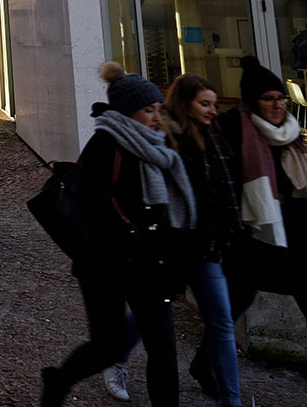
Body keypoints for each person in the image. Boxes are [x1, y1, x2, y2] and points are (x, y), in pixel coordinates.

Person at [41, 62, 195, 407]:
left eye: (158, 109)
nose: (156, 117)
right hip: (104, 267)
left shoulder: (157, 147)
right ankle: (60, 380)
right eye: (148, 110)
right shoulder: (105, 146)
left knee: (163, 350)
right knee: (106, 347)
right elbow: (92, 209)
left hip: (148, 266)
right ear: (127, 112)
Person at [224, 57, 307, 407]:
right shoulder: (236, 132)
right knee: (232, 310)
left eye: (280, 98)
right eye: (268, 98)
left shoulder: (291, 136)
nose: (278, 104)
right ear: (252, 103)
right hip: (254, 241)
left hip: (296, 242)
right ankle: (203, 367)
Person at [165, 74, 243, 407]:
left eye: (213, 103)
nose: (212, 110)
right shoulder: (172, 141)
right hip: (178, 248)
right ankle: (115, 358)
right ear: (187, 105)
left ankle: (232, 400)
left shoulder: (215, 138)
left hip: (208, 248)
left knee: (222, 322)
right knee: (147, 320)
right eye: (204, 104)